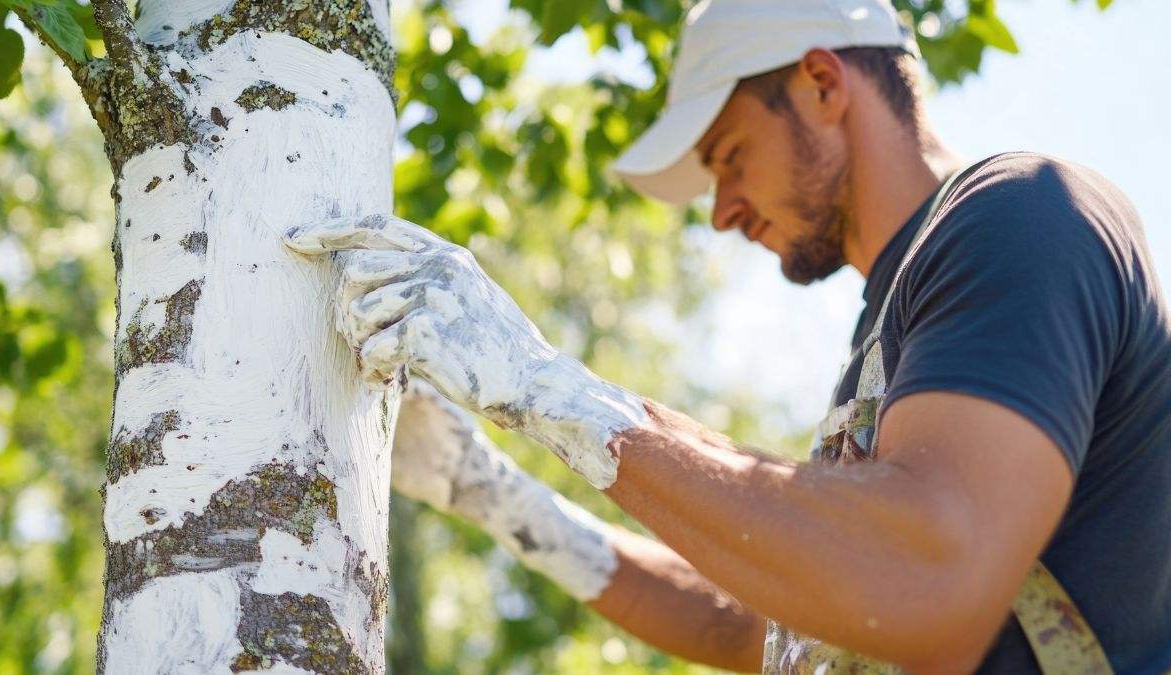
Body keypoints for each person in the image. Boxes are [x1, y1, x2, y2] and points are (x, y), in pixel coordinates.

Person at [283, 0, 1171, 671]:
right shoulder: (897, 333)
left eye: (729, 155)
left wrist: (540, 384)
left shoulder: (1024, 215)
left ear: (823, 84)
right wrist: (496, 495)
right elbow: (758, 619)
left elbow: (925, 574)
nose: (720, 210)